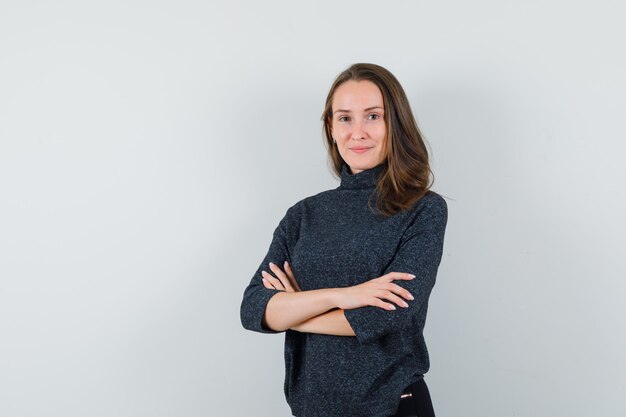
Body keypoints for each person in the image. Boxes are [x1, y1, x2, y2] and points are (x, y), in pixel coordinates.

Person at [240, 63, 448, 417]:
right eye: (345, 118)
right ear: (331, 129)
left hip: (393, 406)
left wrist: (293, 312)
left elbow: (387, 315)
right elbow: (253, 309)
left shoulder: (423, 208)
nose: (358, 132)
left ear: (394, 124)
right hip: (314, 408)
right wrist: (344, 296)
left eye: (372, 116)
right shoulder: (303, 215)